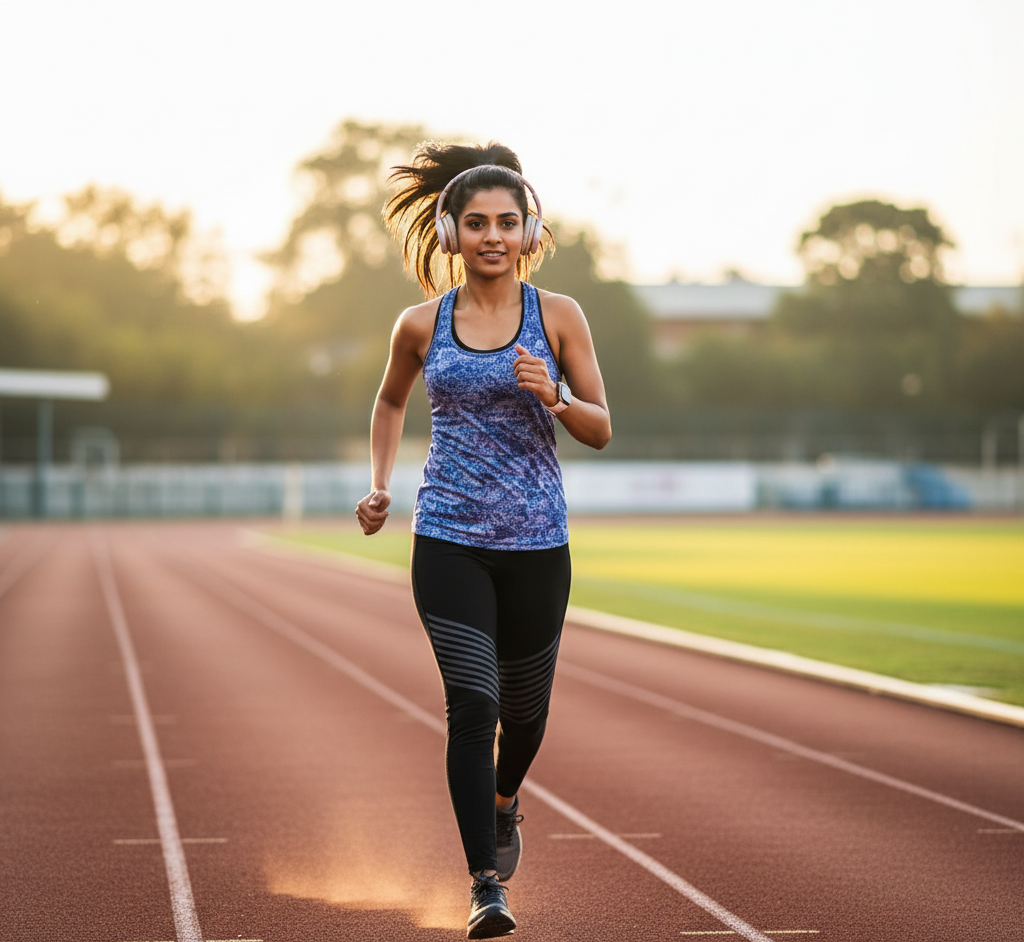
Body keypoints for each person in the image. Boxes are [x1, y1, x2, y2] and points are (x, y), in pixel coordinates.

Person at [356, 141, 611, 939]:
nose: (492, 235)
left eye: (507, 221)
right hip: (449, 537)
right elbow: (391, 401)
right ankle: (483, 884)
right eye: (476, 223)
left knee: (526, 716)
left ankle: (504, 801)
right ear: (449, 233)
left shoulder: (559, 316)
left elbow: (602, 429)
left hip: (537, 543)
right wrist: (381, 484)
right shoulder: (419, 324)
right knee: (475, 704)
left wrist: (559, 396)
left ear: (529, 231)